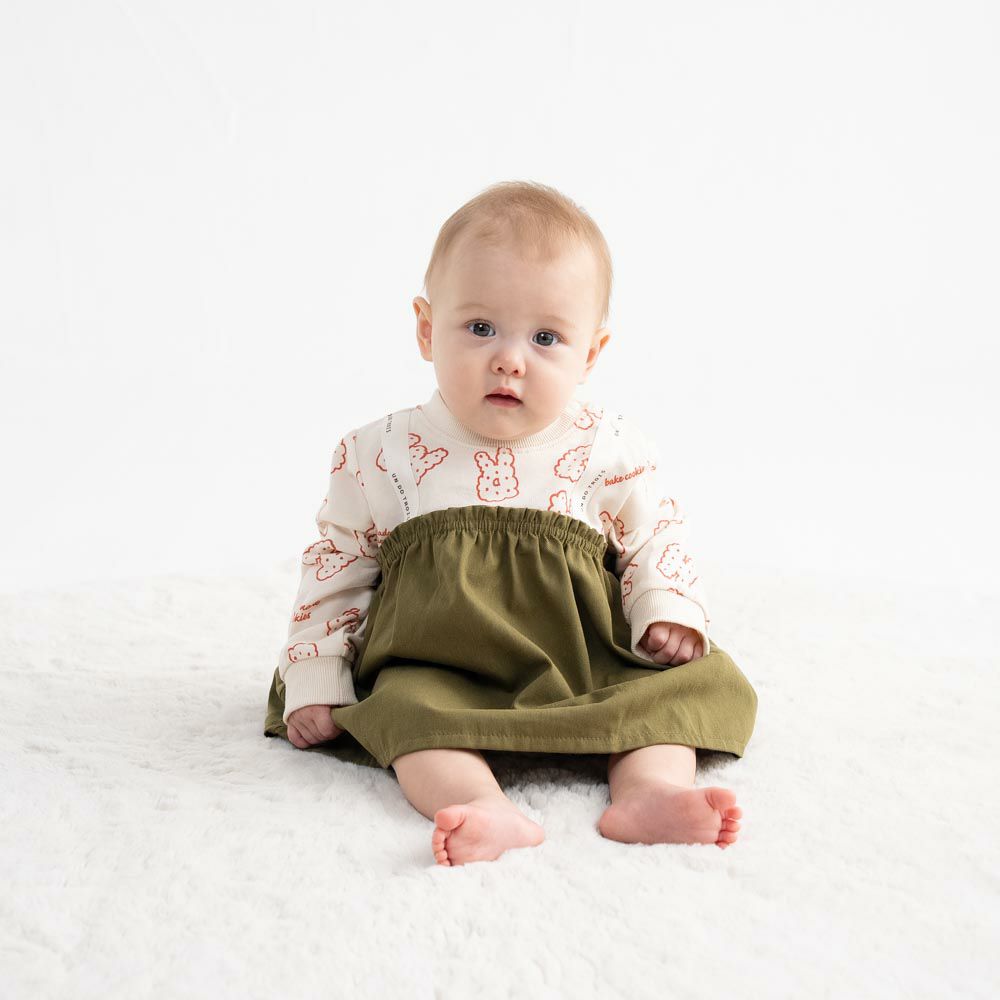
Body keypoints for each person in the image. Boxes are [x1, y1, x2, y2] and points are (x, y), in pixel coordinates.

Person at [263, 180, 757, 866]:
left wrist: (665, 608)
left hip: (583, 662)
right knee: (406, 714)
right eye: (480, 328)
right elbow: (336, 567)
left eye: (546, 337)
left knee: (667, 696)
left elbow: (654, 535)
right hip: (441, 668)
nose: (509, 358)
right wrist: (317, 673)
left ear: (590, 354)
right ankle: (482, 805)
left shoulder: (608, 447)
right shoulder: (380, 453)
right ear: (426, 329)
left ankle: (649, 792)